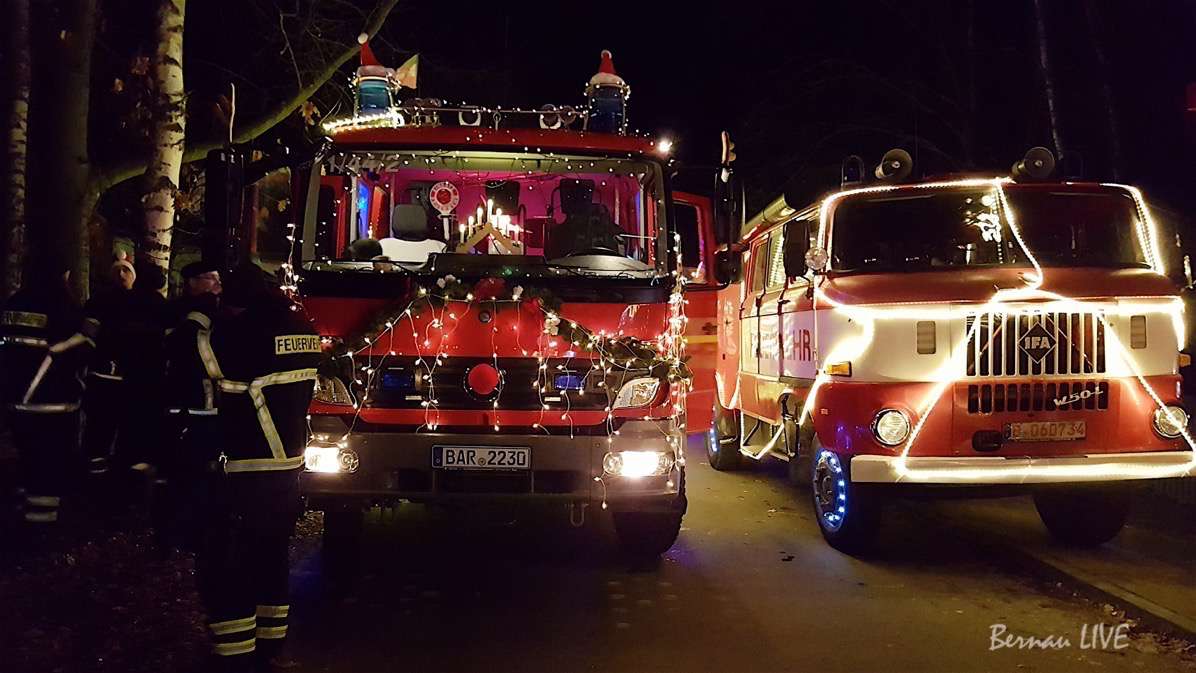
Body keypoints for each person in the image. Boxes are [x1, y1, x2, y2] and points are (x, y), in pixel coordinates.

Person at [196, 263, 318, 671]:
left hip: (245, 465)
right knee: (271, 555)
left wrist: (200, 319)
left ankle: (234, 654)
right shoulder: (301, 328)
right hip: (288, 465)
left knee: (228, 558)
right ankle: (271, 643)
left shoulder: (244, 333)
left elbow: (212, 368)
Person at [0, 263, 92, 531]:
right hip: (53, 401)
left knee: (28, 456)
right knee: (49, 462)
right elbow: (76, 348)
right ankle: (41, 528)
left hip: (18, 398)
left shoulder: (15, 302)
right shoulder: (60, 304)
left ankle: (22, 509)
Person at [82, 253, 170, 508]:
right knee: (120, 438)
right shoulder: (149, 306)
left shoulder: (119, 305)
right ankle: (123, 494)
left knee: (111, 438)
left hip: (124, 383)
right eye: (117, 271)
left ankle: (107, 492)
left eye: (126, 271)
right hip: (118, 383)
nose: (121, 276)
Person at [157, 260, 224, 548]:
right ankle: (182, 531)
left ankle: (180, 530)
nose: (217, 283)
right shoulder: (194, 312)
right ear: (193, 282)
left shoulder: (198, 309)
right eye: (211, 277)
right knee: (190, 471)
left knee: (191, 471)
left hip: (192, 404)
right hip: (192, 405)